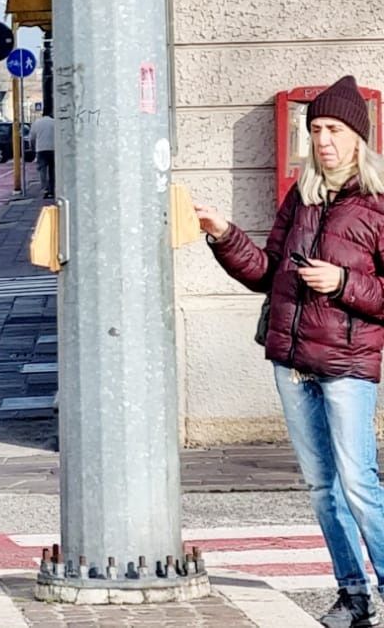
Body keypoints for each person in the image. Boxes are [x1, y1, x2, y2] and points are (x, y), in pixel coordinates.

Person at [197, 75, 384, 628]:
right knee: (322, 487)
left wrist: (343, 283)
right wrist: (223, 233)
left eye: (334, 130)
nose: (323, 140)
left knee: (358, 483)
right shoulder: (301, 198)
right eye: (316, 129)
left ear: (358, 138)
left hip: (347, 365)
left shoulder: (377, 205)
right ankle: (353, 596)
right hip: (292, 363)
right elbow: (267, 274)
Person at [30, 111, 56, 199]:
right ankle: (52, 190)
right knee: (52, 170)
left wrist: (33, 149)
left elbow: (32, 138)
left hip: (40, 149)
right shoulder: (54, 122)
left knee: (42, 171)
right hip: (53, 149)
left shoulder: (36, 123)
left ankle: (45, 189)